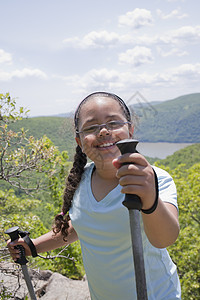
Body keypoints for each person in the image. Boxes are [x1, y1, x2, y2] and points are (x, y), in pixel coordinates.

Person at [7, 92, 181, 299]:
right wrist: (32, 246)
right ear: (79, 141)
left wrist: (149, 197)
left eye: (114, 123)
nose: (104, 131)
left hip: (155, 294)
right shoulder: (81, 180)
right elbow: (81, 225)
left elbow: (165, 238)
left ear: (130, 130)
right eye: (91, 127)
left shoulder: (156, 178)